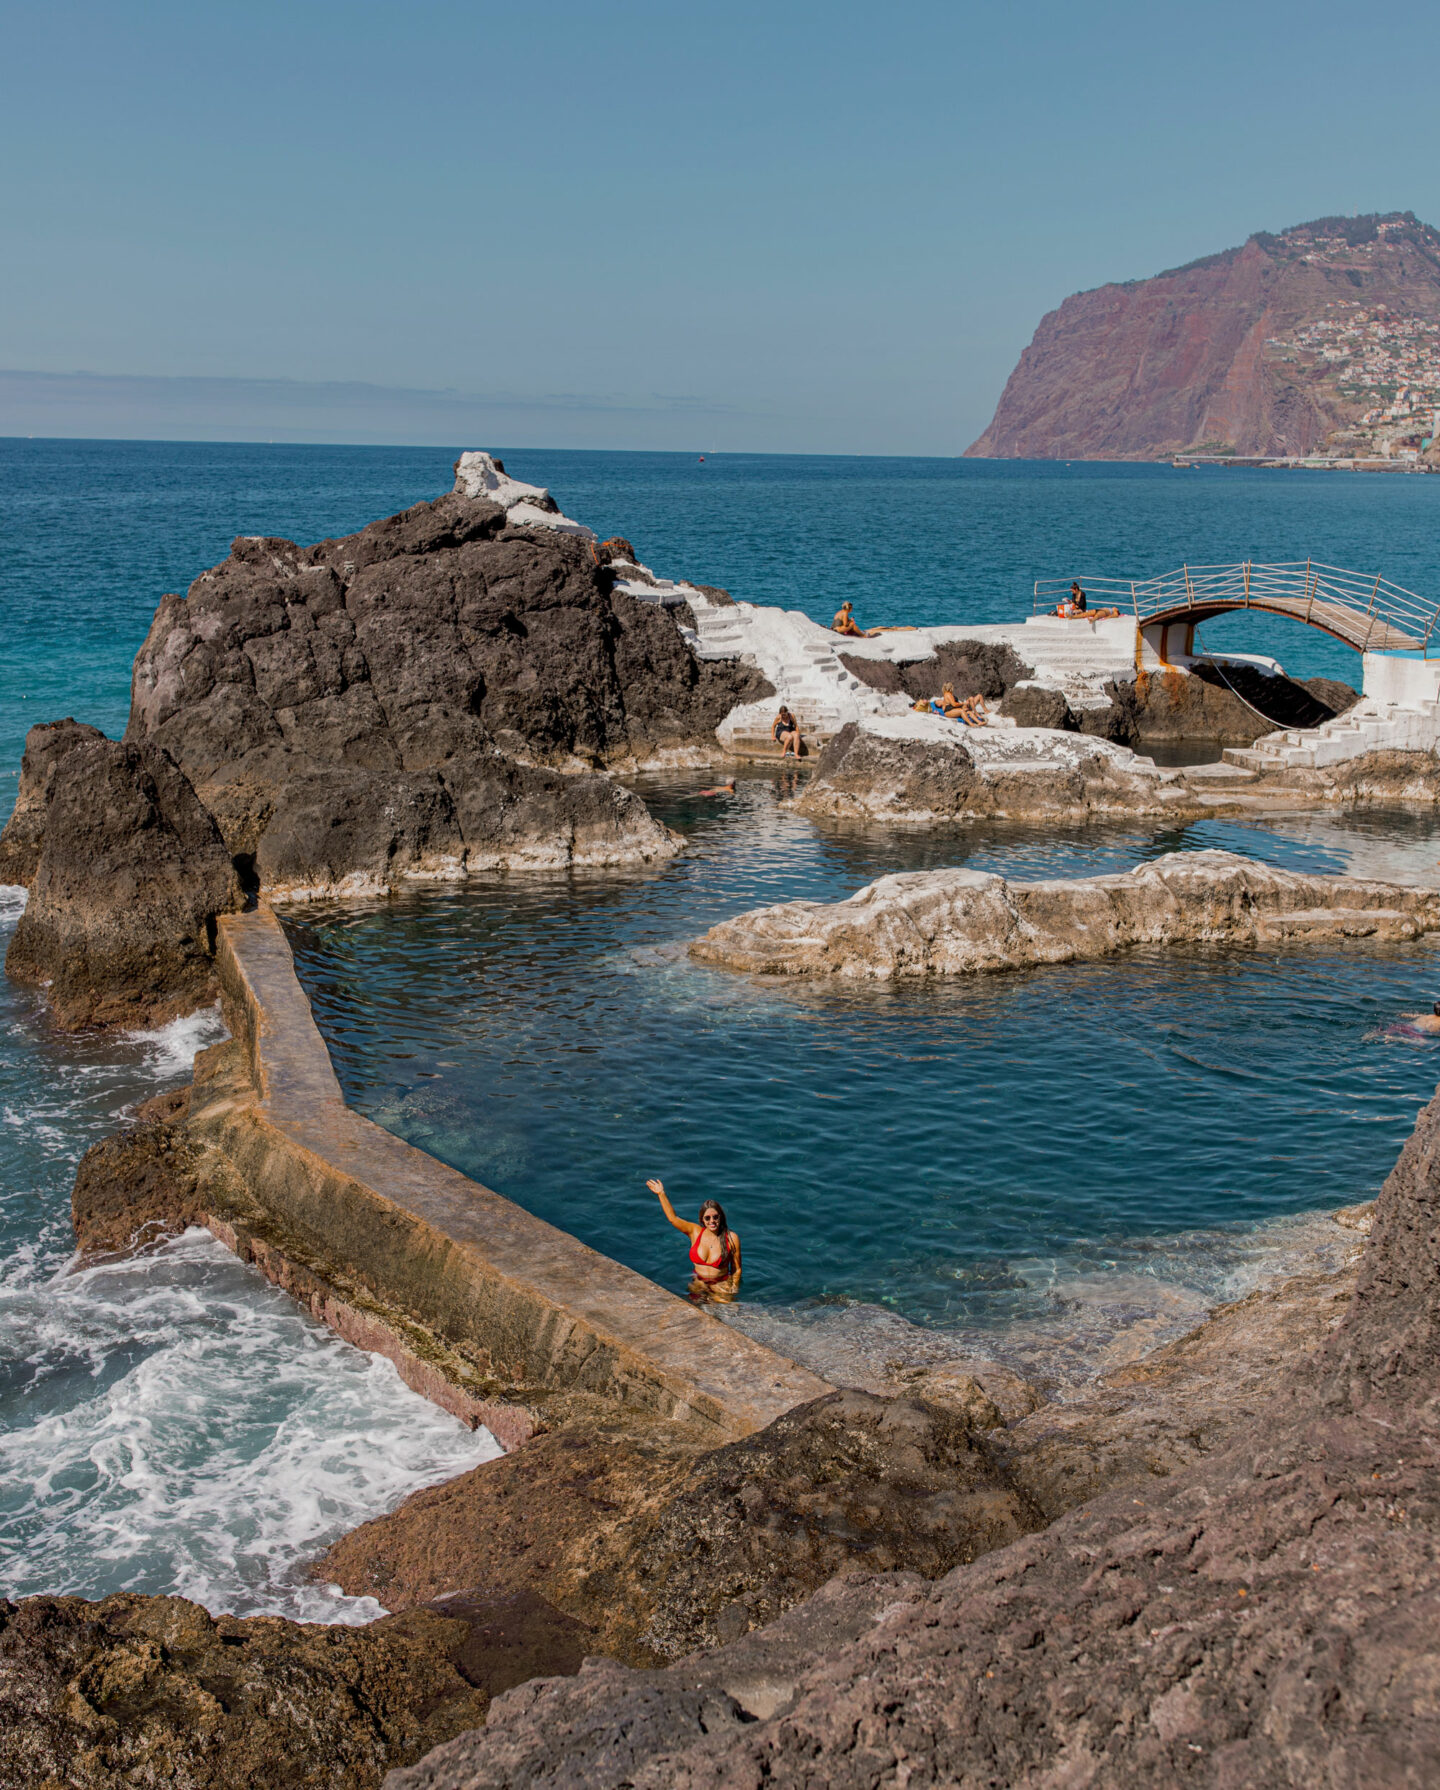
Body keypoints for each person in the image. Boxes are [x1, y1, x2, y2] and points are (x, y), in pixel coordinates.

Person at [646, 1178, 741, 1300]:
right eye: (707, 1218)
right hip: (698, 1283)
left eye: (715, 1217)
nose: (712, 1221)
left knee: (723, 1315)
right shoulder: (695, 1232)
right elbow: (673, 1219)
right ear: (702, 1220)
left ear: (721, 1217)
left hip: (721, 1285)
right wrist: (661, 1194)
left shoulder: (731, 1238)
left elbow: (737, 1269)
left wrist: (733, 1288)